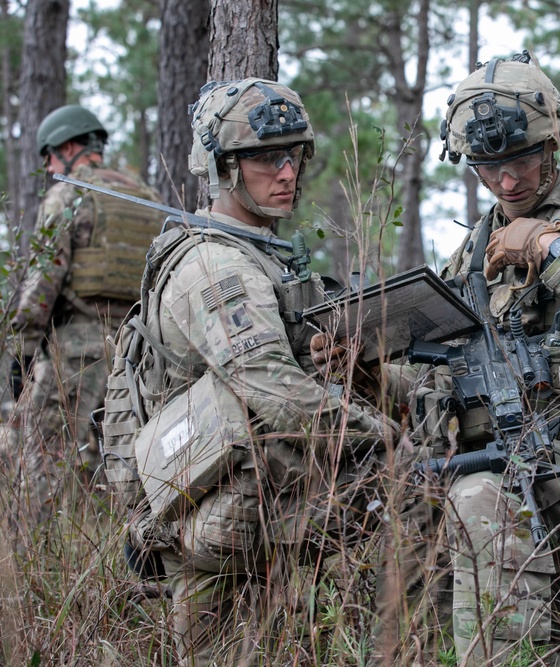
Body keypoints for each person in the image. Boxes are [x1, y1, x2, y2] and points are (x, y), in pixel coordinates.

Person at [362, 52, 560, 665]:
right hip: (491, 454)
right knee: (408, 504)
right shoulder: (469, 255)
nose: (507, 182)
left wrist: (551, 247)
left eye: (522, 160)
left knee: (482, 498)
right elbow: (439, 377)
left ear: (553, 144)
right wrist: (366, 367)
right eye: (488, 167)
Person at [105, 78, 395, 666]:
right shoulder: (215, 263)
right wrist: (382, 438)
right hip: (221, 525)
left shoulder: (255, 250)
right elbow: (266, 382)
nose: (286, 172)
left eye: (294, 156)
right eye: (266, 157)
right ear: (223, 168)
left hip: (263, 517)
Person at [8, 104, 165, 516]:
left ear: (70, 146)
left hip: (79, 350)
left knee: (49, 454)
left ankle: (46, 557)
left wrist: (21, 350)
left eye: (49, 156)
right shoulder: (146, 197)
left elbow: (44, 279)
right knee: (117, 460)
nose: (47, 167)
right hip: (138, 356)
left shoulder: (68, 194)